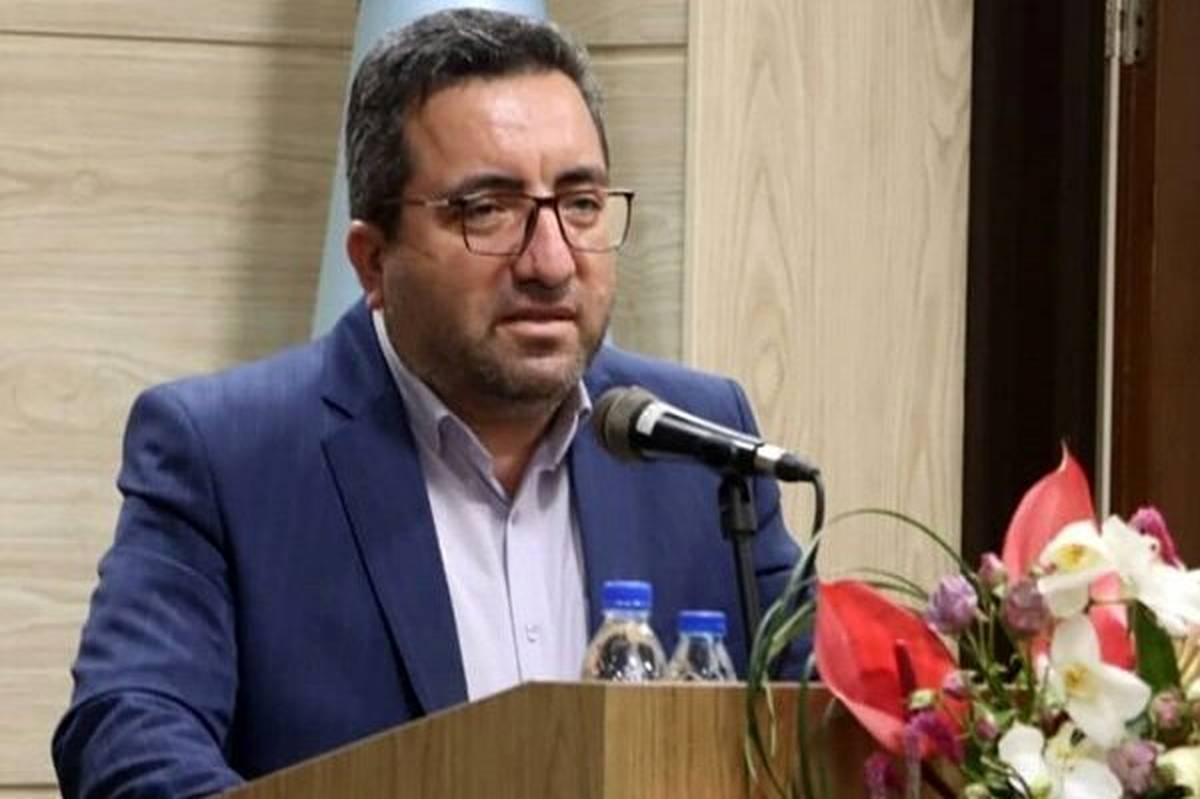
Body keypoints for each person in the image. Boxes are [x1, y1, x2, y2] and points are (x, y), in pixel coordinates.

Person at [52, 8, 803, 797]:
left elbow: (835, 712)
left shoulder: (702, 445)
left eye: (580, 203)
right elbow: (128, 737)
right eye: (487, 210)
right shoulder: (226, 454)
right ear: (373, 260)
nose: (551, 262)